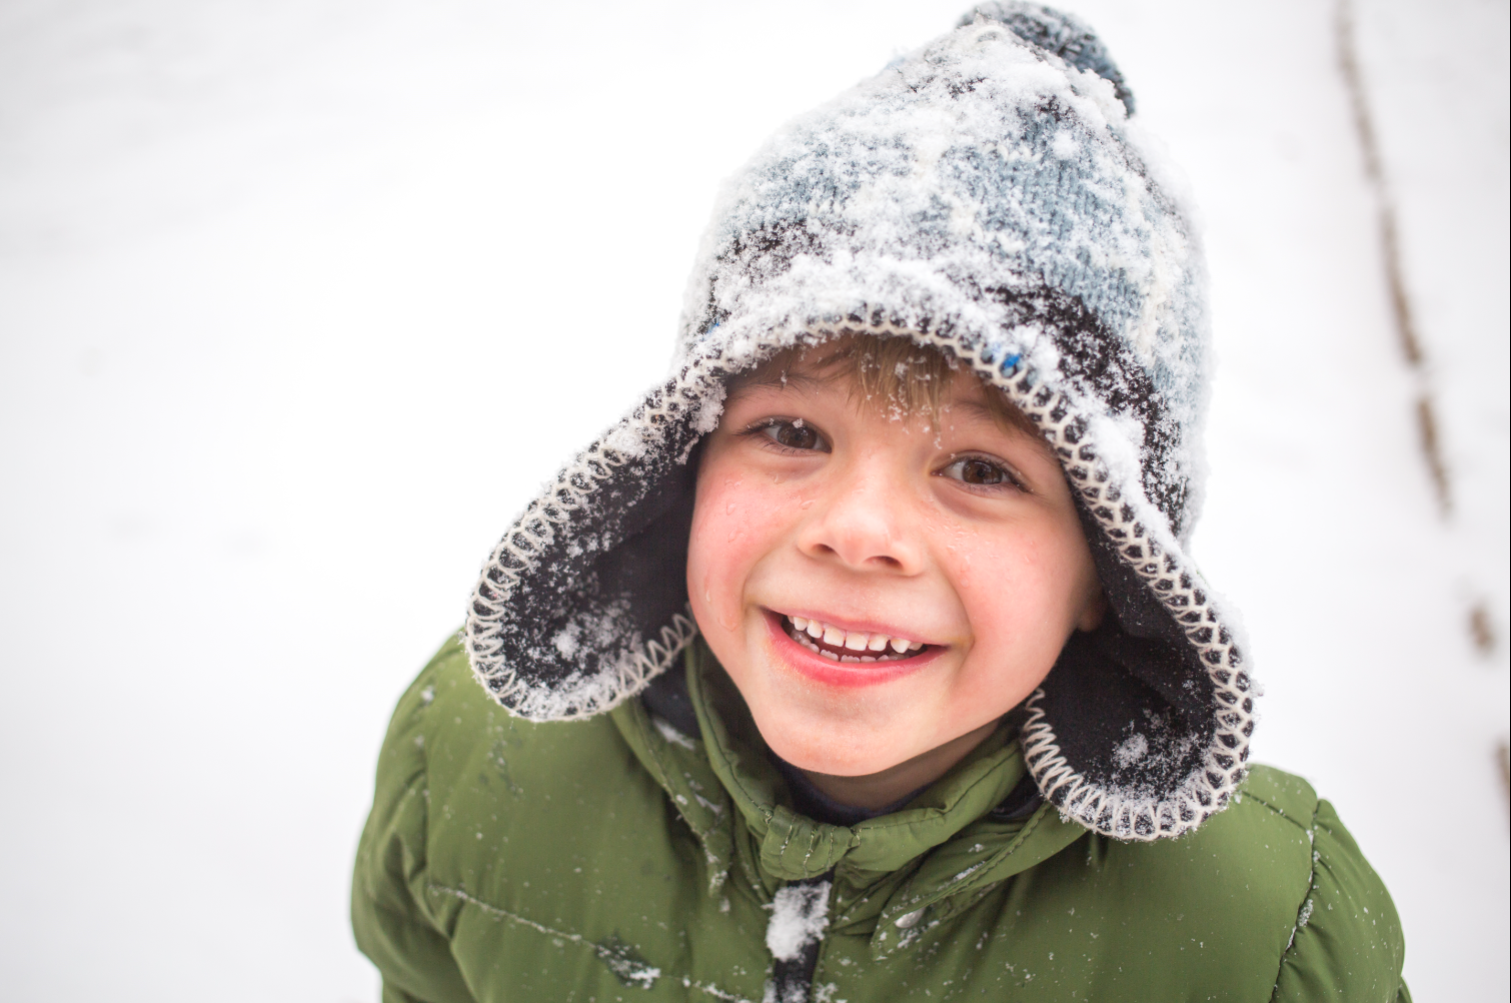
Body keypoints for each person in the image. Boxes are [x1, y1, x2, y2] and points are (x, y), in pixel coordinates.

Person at [351, 4, 1409, 1000]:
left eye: (981, 471)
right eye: (789, 432)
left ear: (1110, 566)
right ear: (683, 464)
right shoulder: (476, 765)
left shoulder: (1253, 935)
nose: (855, 530)